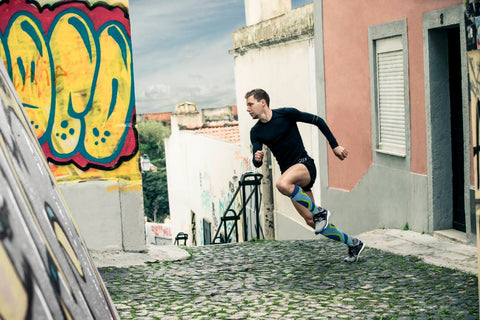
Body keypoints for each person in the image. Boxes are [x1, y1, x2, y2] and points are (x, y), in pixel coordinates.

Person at [246, 88, 365, 263]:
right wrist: (257, 158)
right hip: (292, 179)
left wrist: (335, 146)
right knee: (311, 221)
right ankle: (353, 243)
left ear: (262, 102)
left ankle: (320, 212)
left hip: (304, 165)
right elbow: (257, 160)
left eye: (250, 104)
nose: (247, 108)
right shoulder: (256, 132)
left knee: (281, 184)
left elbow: (318, 121)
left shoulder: (286, 114)